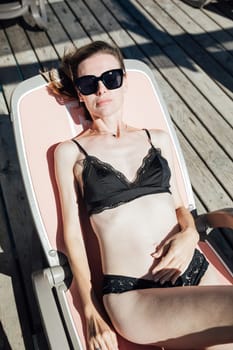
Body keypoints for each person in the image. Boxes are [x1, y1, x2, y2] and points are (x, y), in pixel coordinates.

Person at [50, 41, 233, 350]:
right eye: (88, 84)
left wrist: (189, 234)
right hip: (135, 295)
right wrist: (90, 309)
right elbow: (73, 235)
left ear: (123, 79)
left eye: (110, 78)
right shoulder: (70, 152)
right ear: (79, 93)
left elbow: (179, 207)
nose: (101, 90)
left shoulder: (157, 139)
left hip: (194, 268)